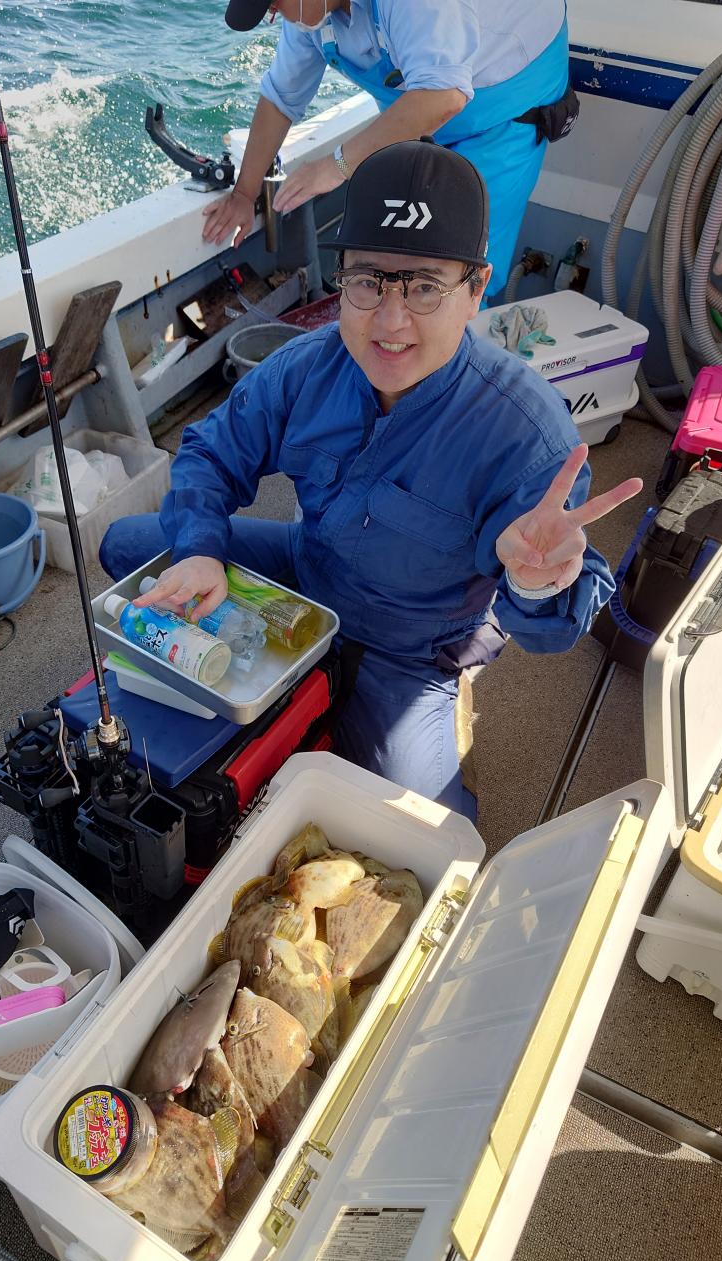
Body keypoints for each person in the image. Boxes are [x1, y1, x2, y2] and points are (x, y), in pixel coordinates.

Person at [101, 140, 642, 819]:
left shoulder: (530, 437)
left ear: (476, 289)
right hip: (305, 571)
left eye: (425, 287)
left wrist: (537, 583)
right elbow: (212, 451)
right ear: (341, 279)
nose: (390, 321)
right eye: (368, 281)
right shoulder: (306, 364)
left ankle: (429, 719)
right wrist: (200, 550)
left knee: (423, 828)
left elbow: (551, 632)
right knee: (130, 547)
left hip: (411, 648)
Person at [204, 0, 577, 296]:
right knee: (396, 252)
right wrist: (243, 194)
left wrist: (335, 166)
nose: (272, 12)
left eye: (273, 1)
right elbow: (280, 98)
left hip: (506, 110)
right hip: (417, 113)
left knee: (460, 273)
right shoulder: (310, 14)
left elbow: (443, 96)